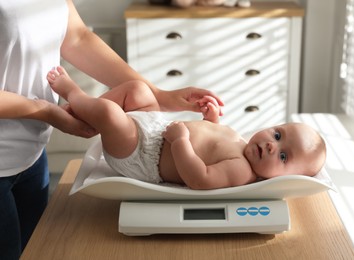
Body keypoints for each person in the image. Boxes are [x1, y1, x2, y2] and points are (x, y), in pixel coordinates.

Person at [0, 1, 222, 259]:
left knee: (36, 250)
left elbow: (78, 38)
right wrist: (46, 110)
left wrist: (159, 95)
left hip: (32, 154)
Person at [47, 66, 327, 191]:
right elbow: (210, 145)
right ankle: (87, 118)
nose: (271, 145)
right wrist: (211, 119)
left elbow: (200, 177)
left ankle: (75, 96)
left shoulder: (241, 171)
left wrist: (181, 141)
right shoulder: (241, 143)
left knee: (110, 112)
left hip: (141, 157)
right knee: (138, 90)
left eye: (283, 156)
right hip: (156, 130)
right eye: (278, 135)